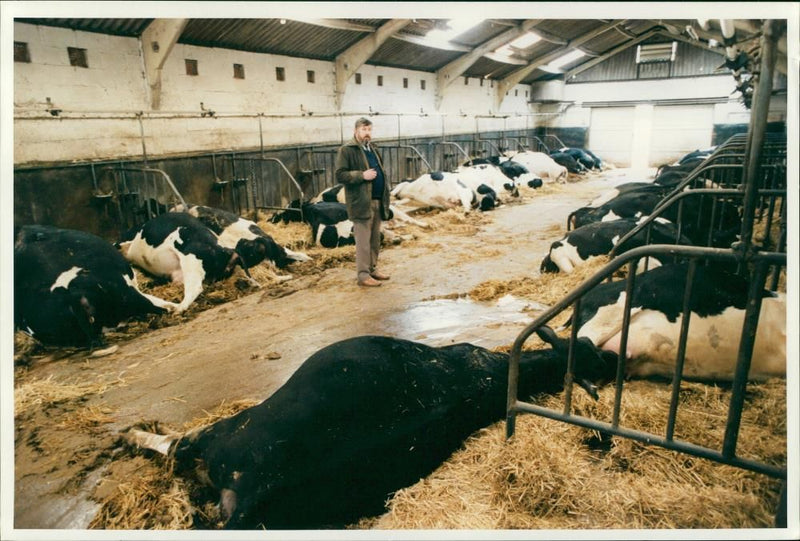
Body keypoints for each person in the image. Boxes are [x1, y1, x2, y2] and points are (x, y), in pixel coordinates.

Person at [335, 117, 392, 287]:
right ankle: (363, 275)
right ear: (356, 131)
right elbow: (340, 175)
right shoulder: (347, 150)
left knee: (375, 239)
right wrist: (362, 175)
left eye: (369, 130)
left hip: (376, 200)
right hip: (361, 202)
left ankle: (372, 269)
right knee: (363, 242)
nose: (367, 133)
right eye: (363, 130)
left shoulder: (372, 148)